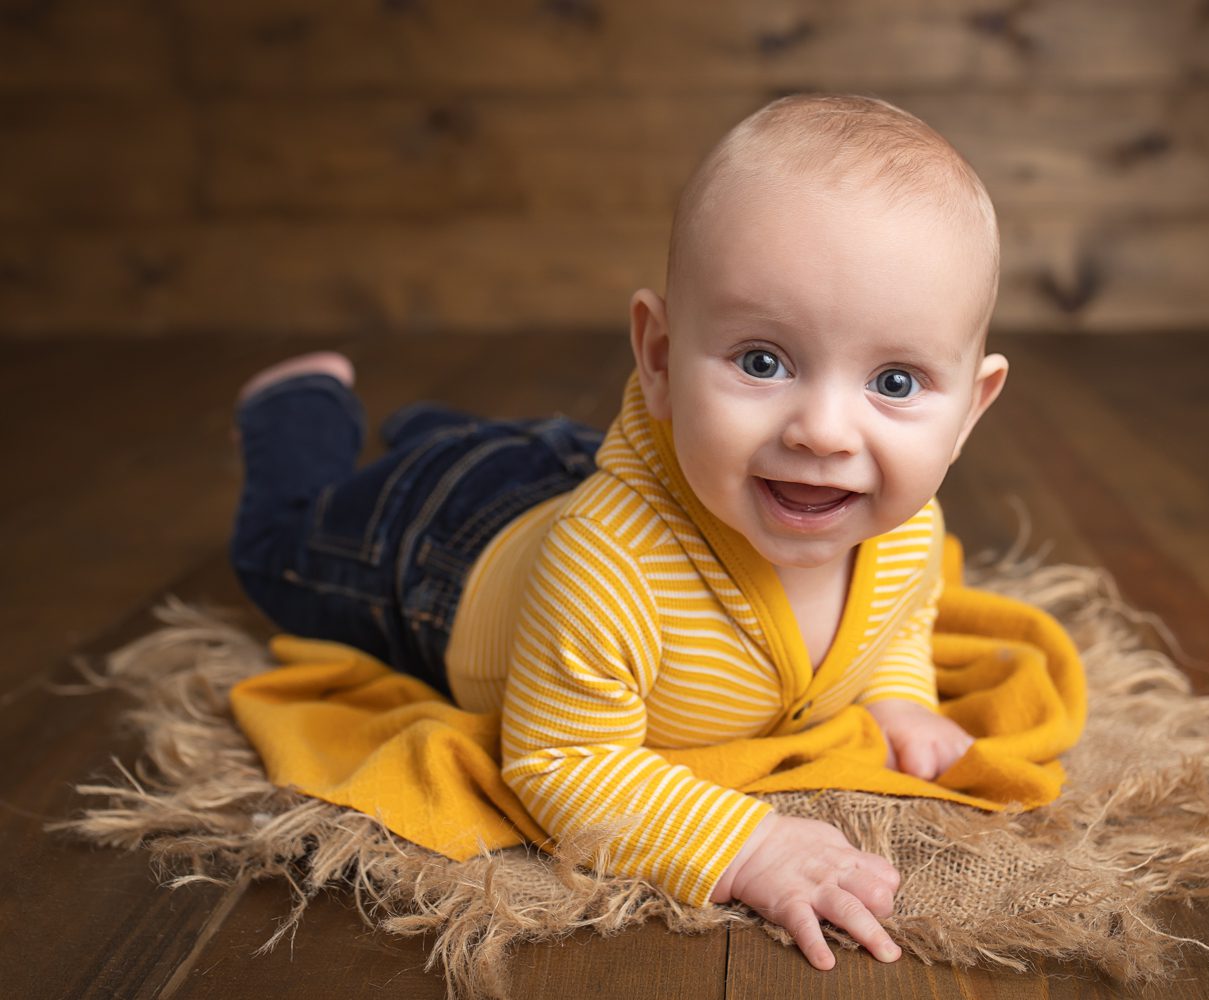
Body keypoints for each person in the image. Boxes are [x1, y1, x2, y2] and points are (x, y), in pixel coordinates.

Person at [230, 93, 1009, 971]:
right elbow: (562, 761)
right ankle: (299, 408)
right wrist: (750, 847)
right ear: (662, 359)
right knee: (282, 552)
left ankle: (443, 429)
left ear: (971, 408)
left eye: (896, 382)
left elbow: (902, 613)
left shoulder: (903, 525)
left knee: (520, 451)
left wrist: (900, 693)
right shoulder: (610, 563)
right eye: (763, 361)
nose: (823, 432)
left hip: (598, 466)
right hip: (438, 553)